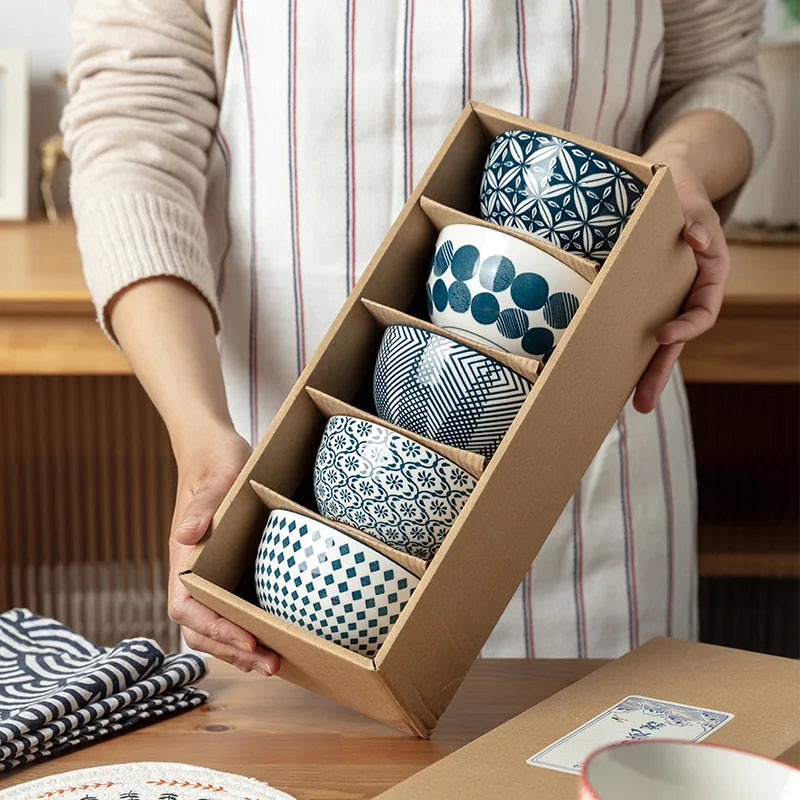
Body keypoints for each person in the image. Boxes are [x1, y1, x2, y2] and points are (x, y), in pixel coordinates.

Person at [62, 0, 771, 676]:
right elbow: (130, 126)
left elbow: (717, 74)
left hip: (592, 472)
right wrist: (200, 439)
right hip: (283, 469)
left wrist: (676, 172)